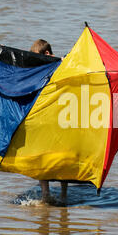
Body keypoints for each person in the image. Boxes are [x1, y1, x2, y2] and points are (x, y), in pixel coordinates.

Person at [30, 39, 68, 204]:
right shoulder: (39, 68)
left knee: (62, 157)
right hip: (45, 118)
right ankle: (46, 194)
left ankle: (63, 195)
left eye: (38, 57)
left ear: (47, 54)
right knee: (42, 157)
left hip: (60, 118)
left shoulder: (63, 64)